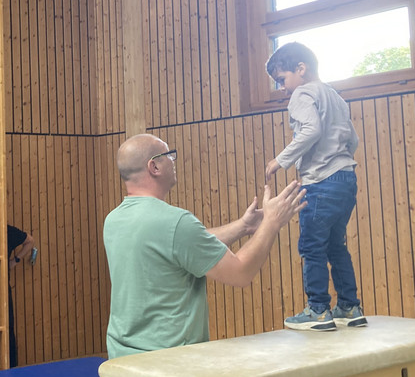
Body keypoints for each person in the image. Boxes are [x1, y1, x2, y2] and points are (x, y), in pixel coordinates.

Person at [103, 134, 306, 358]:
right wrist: (272, 222)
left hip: (122, 358)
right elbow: (240, 273)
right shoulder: (175, 223)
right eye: (169, 155)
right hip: (169, 362)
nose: (173, 160)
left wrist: (242, 226)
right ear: (154, 167)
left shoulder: (114, 220)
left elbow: (184, 247)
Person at [265, 42, 367, 331]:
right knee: (337, 245)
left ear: (301, 69)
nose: (283, 88)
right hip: (346, 178)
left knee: (312, 247)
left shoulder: (303, 93)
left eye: (282, 79)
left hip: (321, 182)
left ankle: (318, 310)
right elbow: (353, 140)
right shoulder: (334, 95)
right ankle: (349, 306)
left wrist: (280, 160)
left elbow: (311, 129)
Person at [0, 201, 36, 367]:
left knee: (7, 324)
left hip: (1, 283)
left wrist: (15, 260)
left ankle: (12, 365)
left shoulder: (8, 232)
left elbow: (29, 241)